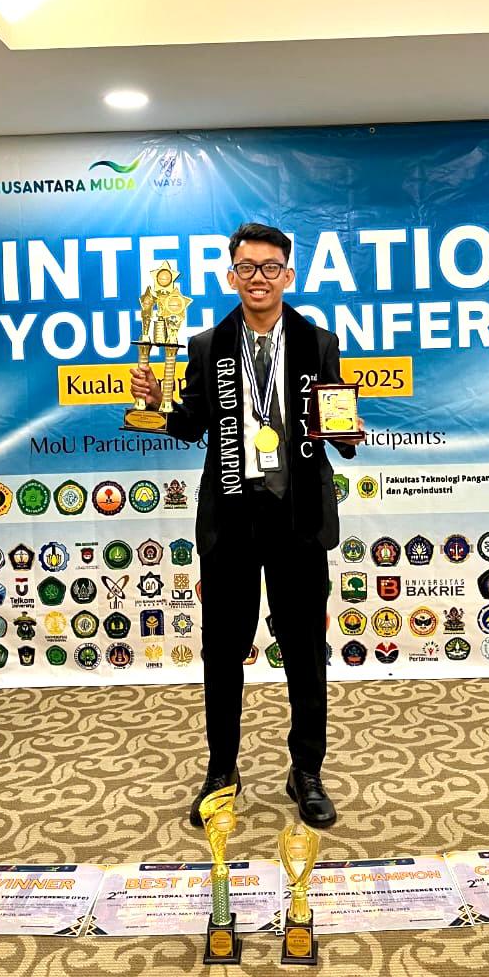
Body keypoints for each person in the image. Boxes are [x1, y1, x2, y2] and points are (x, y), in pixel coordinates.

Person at [130, 222, 360, 828]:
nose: (260, 278)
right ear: (231, 276)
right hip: (231, 516)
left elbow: (334, 420)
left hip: (298, 517)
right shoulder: (208, 345)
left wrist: (347, 433)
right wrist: (154, 404)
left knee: (305, 651)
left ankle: (306, 771)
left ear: (289, 275)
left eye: (270, 267)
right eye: (248, 268)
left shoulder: (317, 341)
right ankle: (221, 771)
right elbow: (191, 424)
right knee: (222, 651)